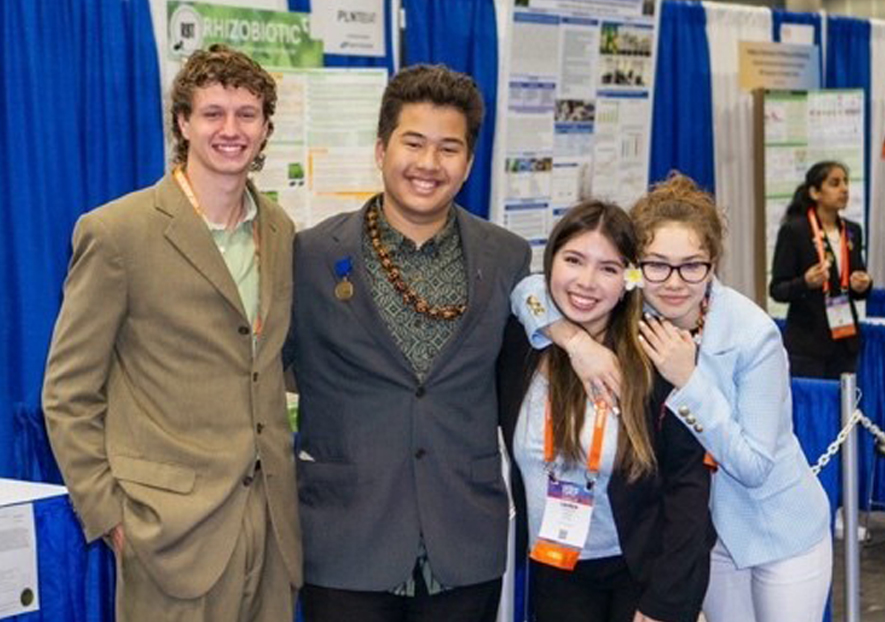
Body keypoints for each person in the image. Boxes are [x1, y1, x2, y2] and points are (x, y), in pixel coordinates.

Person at [42, 45, 301, 621]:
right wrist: (110, 516)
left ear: (264, 129)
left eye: (247, 114)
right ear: (183, 123)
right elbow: (67, 391)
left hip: (270, 527)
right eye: (213, 113)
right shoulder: (117, 233)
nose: (230, 130)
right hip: (168, 536)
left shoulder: (280, 231)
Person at [513, 174, 832, 622]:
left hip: (772, 526)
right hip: (708, 537)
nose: (674, 282)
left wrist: (691, 383)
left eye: (692, 265)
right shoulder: (634, 313)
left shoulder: (750, 334)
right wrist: (574, 342)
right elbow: (529, 290)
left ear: (713, 264)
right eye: (656, 264)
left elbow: (755, 466)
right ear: (634, 267)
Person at [286, 64, 531, 622]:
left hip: (464, 540)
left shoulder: (506, 258)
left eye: (449, 149)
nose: (428, 164)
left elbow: (521, 390)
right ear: (380, 149)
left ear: (468, 165)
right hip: (347, 538)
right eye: (413, 142)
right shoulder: (310, 256)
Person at [497, 200, 714, 622]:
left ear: (629, 280)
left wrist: (666, 604)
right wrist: (576, 343)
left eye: (609, 269)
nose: (586, 282)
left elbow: (688, 491)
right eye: (573, 260)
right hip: (554, 567)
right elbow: (520, 290)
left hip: (639, 572)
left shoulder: (658, 356)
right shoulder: (521, 344)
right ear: (551, 262)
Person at [770, 161, 872, 378]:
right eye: (835, 183)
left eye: (846, 182)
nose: (844, 189)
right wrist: (805, 282)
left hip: (845, 340)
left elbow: (857, 285)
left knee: (845, 405)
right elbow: (777, 289)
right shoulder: (794, 231)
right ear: (815, 192)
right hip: (808, 343)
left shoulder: (852, 230)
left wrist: (863, 284)